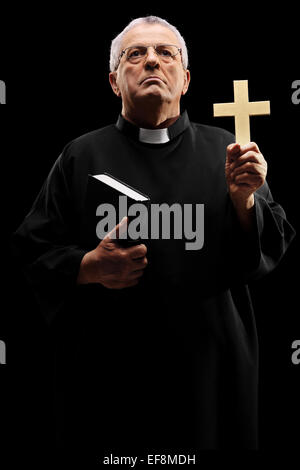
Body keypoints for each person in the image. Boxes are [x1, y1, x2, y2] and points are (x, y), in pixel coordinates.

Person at [12, 15, 295, 456]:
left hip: (210, 380)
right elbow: (30, 251)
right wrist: (87, 267)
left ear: (184, 79)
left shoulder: (230, 154)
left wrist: (244, 201)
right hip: (107, 381)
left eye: (166, 53)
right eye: (135, 54)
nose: (151, 62)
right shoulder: (80, 155)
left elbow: (265, 255)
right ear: (113, 80)